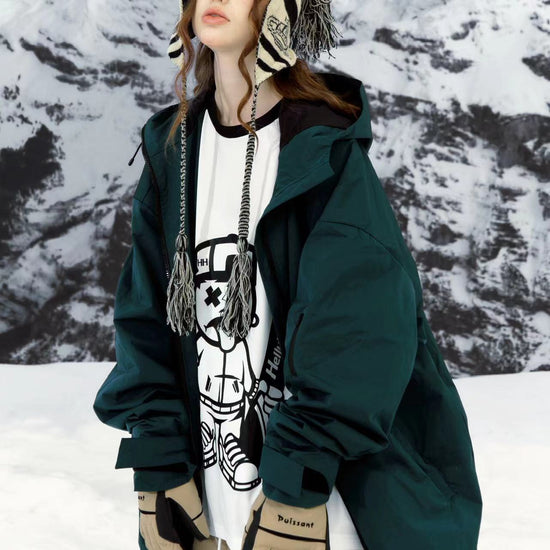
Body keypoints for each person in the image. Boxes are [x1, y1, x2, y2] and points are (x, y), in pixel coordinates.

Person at [93, 1, 483, 549]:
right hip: (215, 516)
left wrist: (297, 490)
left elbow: (360, 335)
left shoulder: (323, 155)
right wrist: (159, 465)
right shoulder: (173, 151)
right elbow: (145, 323)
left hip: (320, 514)